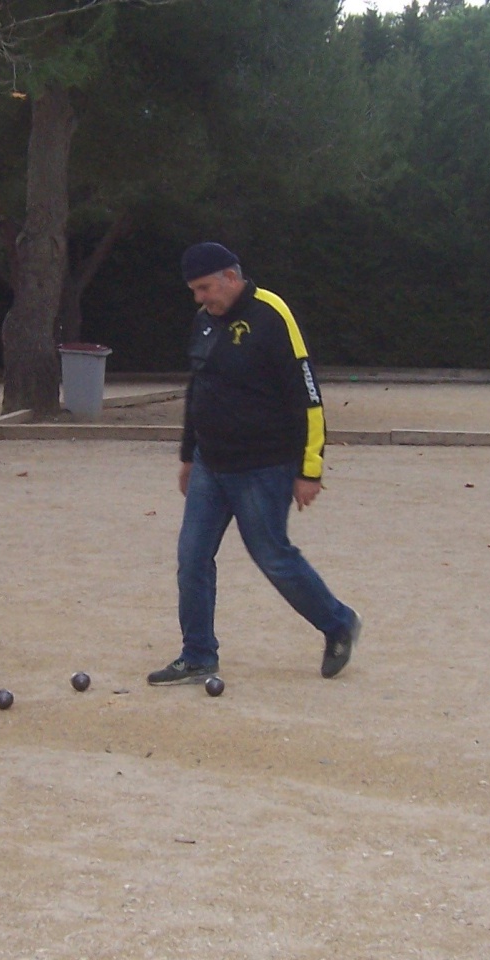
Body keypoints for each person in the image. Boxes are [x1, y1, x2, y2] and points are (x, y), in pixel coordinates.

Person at [148, 242, 362, 686]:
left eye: (204, 288)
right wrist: (188, 456)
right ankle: (198, 654)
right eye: (193, 291)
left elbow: (308, 397)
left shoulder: (272, 314)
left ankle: (338, 623)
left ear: (230, 277)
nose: (199, 299)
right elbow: (197, 389)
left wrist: (310, 469)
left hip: (263, 466)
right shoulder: (204, 322)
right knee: (192, 557)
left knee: (274, 557)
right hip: (211, 463)